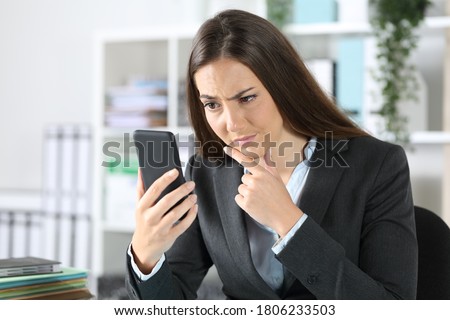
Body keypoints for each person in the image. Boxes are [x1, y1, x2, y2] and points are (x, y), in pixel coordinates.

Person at [126, 9, 418, 299]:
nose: (232, 124)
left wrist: (289, 223)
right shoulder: (205, 171)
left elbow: (391, 307)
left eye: (247, 98)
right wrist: (145, 255)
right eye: (213, 105)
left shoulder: (378, 165)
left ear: (284, 86)